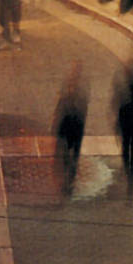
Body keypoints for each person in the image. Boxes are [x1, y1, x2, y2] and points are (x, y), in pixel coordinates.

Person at [52, 63, 87, 198]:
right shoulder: (70, 93)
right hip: (72, 129)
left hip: (73, 129)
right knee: (68, 156)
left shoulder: (75, 94)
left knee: (71, 156)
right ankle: (68, 183)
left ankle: (69, 183)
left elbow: (61, 110)